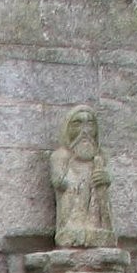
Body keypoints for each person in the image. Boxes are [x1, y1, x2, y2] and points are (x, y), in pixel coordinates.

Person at [50, 105, 115, 248]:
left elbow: (108, 175)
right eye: (77, 123)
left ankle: (98, 228)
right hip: (73, 202)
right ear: (68, 128)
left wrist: (105, 177)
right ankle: (72, 232)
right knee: (73, 225)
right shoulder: (61, 156)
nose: (85, 130)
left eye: (90, 123)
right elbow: (58, 181)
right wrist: (72, 177)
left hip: (94, 200)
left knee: (96, 216)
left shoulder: (101, 156)